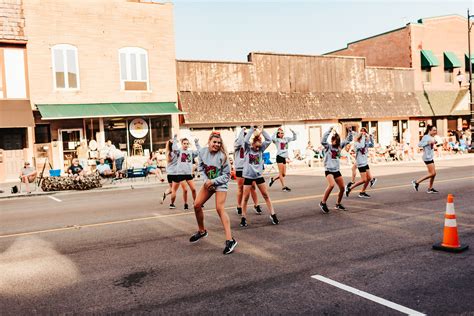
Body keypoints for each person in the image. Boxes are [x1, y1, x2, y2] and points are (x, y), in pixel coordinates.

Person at [190, 131, 237, 255]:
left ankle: (230, 240)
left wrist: (213, 182)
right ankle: (202, 231)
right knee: (196, 205)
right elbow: (201, 167)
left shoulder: (223, 156)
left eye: (218, 143)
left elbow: (227, 176)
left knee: (219, 208)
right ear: (209, 141)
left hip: (220, 183)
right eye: (214, 142)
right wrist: (206, 181)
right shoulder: (202, 152)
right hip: (208, 182)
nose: (216, 144)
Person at [240, 126, 279, 227]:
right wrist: (252, 129)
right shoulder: (248, 149)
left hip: (258, 176)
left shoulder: (261, 149)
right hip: (248, 176)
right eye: (256, 146)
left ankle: (273, 214)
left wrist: (262, 131)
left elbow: (269, 140)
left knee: (266, 195)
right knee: (245, 198)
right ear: (252, 143)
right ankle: (243, 217)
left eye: (259, 146)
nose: (258, 148)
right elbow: (245, 140)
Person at [319, 126, 353, 214]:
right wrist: (329, 130)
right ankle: (323, 202)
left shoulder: (340, 146)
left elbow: (349, 140)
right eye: (332, 140)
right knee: (331, 185)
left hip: (336, 170)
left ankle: (338, 204)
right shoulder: (328, 147)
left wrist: (349, 131)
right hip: (329, 170)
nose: (333, 142)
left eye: (335, 140)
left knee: (342, 188)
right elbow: (323, 141)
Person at [234, 127, 261, 215]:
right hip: (240, 168)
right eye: (244, 135)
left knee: (253, 186)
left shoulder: (249, 144)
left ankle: (256, 205)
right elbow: (239, 142)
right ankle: (239, 206)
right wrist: (242, 131)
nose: (246, 137)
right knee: (240, 187)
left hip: (249, 167)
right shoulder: (237, 143)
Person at [345, 128, 377, 199]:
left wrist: (371, 137)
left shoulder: (365, 142)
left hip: (365, 162)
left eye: (364, 133)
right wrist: (363, 136)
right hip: (360, 163)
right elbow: (362, 146)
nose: (364, 134)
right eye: (362, 133)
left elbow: (371, 145)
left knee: (368, 178)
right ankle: (349, 189)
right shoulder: (357, 143)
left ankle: (362, 192)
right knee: (364, 180)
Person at [171, 135, 200, 210]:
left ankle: (195, 202)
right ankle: (185, 204)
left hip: (188, 174)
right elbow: (174, 149)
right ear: (182, 144)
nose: (186, 145)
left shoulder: (190, 152)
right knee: (185, 190)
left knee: (193, 189)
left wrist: (196, 143)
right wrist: (174, 139)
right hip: (180, 174)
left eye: (187, 143)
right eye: (184, 143)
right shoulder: (179, 151)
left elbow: (199, 151)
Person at [412, 125, 439, 194]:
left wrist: (434, 142)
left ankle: (430, 188)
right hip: (427, 157)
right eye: (434, 130)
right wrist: (427, 143)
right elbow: (419, 144)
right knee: (432, 173)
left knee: (434, 174)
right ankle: (416, 182)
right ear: (429, 130)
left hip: (430, 157)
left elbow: (433, 144)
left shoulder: (432, 137)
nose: (435, 132)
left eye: (435, 130)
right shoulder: (426, 137)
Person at [161, 139, 188, 206]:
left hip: (169, 174)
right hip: (176, 173)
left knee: (171, 188)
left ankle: (165, 194)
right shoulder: (177, 152)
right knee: (174, 190)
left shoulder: (167, 153)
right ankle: (172, 204)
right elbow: (182, 150)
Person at [269, 127, 297, 191]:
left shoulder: (286, 139)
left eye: (283, 133)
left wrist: (293, 131)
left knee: (284, 174)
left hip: (284, 157)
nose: (282, 134)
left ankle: (273, 179)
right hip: (279, 157)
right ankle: (283, 187)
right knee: (281, 173)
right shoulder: (277, 140)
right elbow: (272, 138)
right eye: (280, 133)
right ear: (278, 134)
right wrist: (276, 131)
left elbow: (294, 138)